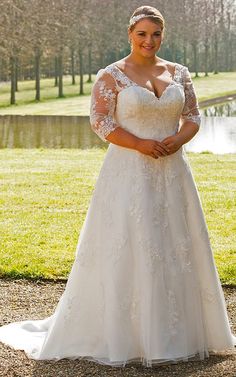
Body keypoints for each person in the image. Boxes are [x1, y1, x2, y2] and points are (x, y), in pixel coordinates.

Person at [0, 5, 235, 369]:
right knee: (131, 240)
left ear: (163, 35)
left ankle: (181, 331)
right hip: (129, 172)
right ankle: (128, 333)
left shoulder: (179, 73)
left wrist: (178, 140)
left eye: (155, 34)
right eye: (142, 34)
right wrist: (139, 144)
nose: (149, 41)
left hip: (173, 172)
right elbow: (100, 121)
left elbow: (192, 116)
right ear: (130, 34)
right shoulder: (112, 75)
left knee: (177, 244)